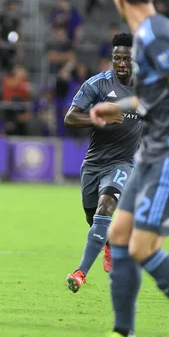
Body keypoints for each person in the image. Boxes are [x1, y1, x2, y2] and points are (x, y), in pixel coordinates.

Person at [83, 0, 169, 337]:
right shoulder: (146, 34)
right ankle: (123, 336)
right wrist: (115, 107)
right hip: (152, 152)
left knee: (144, 248)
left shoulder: (156, 33)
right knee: (119, 233)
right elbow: (154, 94)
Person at [63, 33, 141, 293]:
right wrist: (99, 118)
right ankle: (108, 244)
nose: (121, 63)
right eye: (117, 58)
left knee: (105, 208)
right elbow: (70, 118)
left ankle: (80, 273)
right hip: (94, 164)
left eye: (126, 58)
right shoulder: (97, 85)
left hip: (123, 163)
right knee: (91, 215)